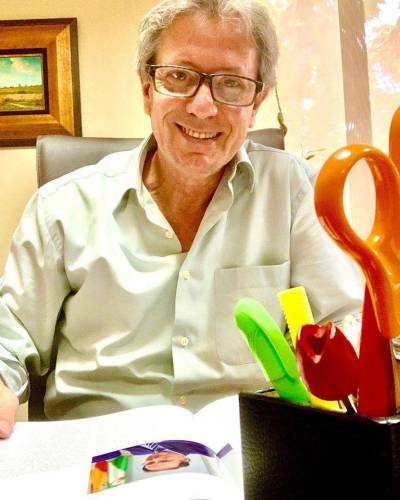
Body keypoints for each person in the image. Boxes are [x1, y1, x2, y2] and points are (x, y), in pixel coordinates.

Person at [0, 0, 363, 437]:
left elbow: (344, 325)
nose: (203, 107)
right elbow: (9, 336)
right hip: (97, 452)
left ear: (257, 102)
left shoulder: (298, 193)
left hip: (249, 449)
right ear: (147, 88)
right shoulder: (60, 207)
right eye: (179, 77)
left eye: (231, 83)